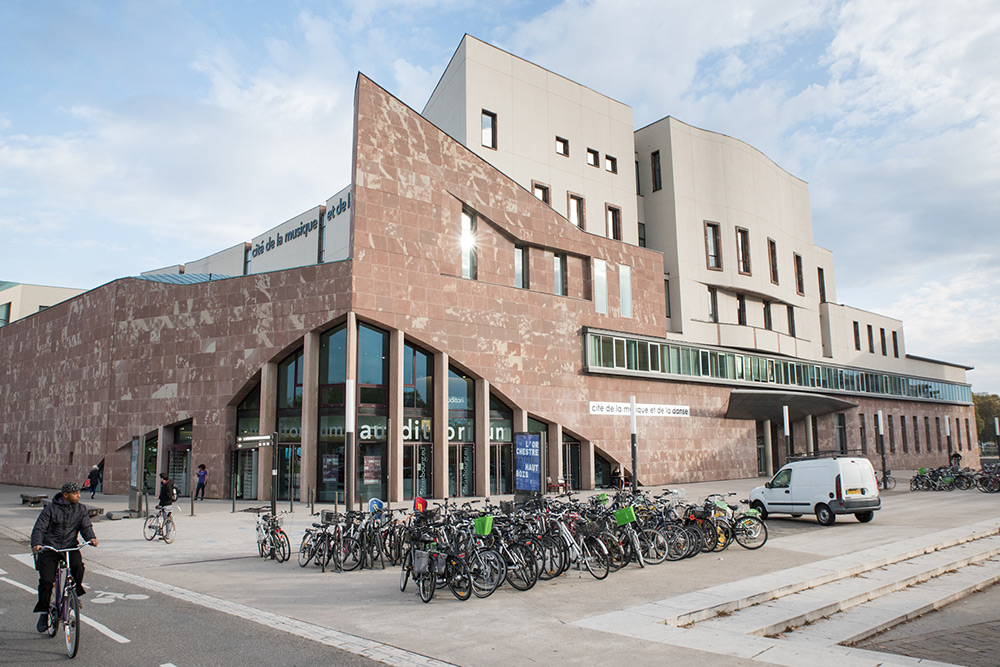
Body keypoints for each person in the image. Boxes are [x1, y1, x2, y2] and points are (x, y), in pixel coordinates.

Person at [31, 482, 98, 633]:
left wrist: (91, 538)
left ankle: (74, 594)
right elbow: (39, 528)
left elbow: (86, 527)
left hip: (69, 546)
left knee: (78, 567)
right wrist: (37, 544)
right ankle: (44, 612)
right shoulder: (50, 509)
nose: (79, 496)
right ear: (65, 495)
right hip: (50, 547)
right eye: (75, 493)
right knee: (46, 581)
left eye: (79, 493)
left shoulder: (80, 509)